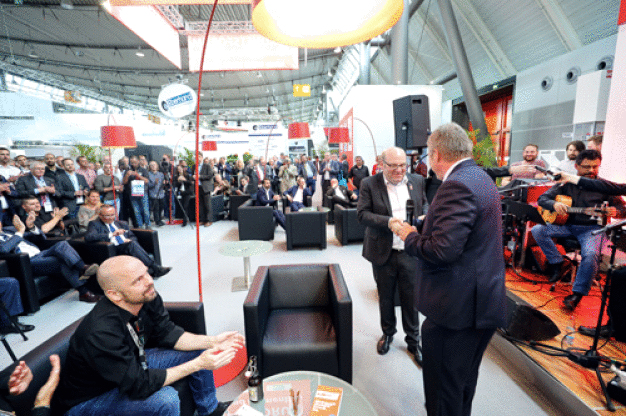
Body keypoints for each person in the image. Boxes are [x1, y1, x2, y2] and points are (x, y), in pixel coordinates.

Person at [390, 123, 507, 416]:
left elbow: (441, 251)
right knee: (461, 386)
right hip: (480, 304)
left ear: (437, 153)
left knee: (443, 394)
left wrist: (408, 235)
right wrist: (426, 225)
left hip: (455, 312)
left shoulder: (455, 185)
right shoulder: (479, 177)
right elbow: (463, 238)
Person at [55, 256, 244, 416]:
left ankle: (209, 410)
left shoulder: (146, 296)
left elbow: (168, 333)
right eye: (137, 280)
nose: (149, 281)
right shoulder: (101, 332)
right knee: (166, 399)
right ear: (115, 295)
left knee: (199, 347)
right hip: (92, 397)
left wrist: (213, 341)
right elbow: (139, 384)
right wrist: (199, 364)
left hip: (132, 364)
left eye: (146, 272)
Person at [357, 146, 427, 366]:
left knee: (411, 299)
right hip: (382, 251)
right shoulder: (369, 183)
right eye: (393, 166)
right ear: (382, 164)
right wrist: (388, 222)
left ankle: (414, 341)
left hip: (410, 250)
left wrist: (422, 217)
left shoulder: (417, 180)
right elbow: (362, 214)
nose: (399, 170)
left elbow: (423, 203)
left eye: (403, 165)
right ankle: (388, 333)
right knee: (385, 297)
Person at [531, 149, 626, 309]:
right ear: (576, 166)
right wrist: (554, 204)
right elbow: (542, 199)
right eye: (587, 167)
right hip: (567, 225)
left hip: (592, 229)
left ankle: (577, 294)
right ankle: (557, 262)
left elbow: (623, 208)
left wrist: (616, 211)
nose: (591, 171)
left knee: (590, 254)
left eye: (595, 167)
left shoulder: (605, 186)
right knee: (537, 230)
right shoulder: (567, 184)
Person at [0, 215, 101, 303]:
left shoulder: (10, 229)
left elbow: (41, 238)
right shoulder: (17, 231)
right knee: (62, 261)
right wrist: (20, 232)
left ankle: (82, 267)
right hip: (26, 262)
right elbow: (3, 249)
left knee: (62, 244)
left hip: (40, 253)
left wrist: (32, 227)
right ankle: (83, 292)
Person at [84, 204, 171, 277]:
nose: (110, 218)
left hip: (127, 245)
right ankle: (155, 267)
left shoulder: (122, 223)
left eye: (112, 215)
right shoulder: (94, 224)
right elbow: (89, 237)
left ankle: (150, 268)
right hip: (113, 247)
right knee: (131, 245)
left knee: (132, 243)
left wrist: (129, 240)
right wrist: (111, 234)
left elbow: (132, 236)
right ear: (100, 215)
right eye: (107, 216)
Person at [123, 156, 151, 229]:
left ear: (138, 161)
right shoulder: (128, 170)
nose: (133, 164)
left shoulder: (143, 170)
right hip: (132, 193)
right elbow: (124, 182)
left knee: (145, 210)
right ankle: (140, 225)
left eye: (135, 162)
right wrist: (127, 175)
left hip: (143, 192)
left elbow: (147, 181)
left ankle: (148, 225)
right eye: (132, 163)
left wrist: (138, 175)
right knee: (136, 211)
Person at [148, 161, 166, 227]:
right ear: (149, 167)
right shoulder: (148, 174)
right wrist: (154, 183)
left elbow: (163, 183)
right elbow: (148, 185)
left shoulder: (161, 174)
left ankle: (160, 219)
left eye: (154, 165)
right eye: (151, 165)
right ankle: (157, 221)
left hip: (161, 193)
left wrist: (164, 183)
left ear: (157, 166)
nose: (153, 166)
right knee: (156, 208)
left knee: (161, 207)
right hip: (153, 194)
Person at [198, 158, 214, 227]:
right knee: (200, 205)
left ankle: (209, 220)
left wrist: (200, 176)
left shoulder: (207, 166)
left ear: (201, 157)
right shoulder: (194, 166)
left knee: (207, 205)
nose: (197, 158)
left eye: (198, 157)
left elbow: (210, 175)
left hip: (205, 187)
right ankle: (202, 220)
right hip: (198, 187)